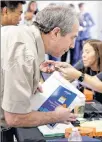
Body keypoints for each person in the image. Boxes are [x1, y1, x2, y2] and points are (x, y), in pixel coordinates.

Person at [1, 5, 79, 142]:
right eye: (72, 38)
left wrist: (29, 82)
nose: (73, 45)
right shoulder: (25, 55)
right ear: (55, 33)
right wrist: (57, 116)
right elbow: (15, 117)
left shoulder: (19, 34)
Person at [74, 39, 102, 108]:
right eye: (83, 52)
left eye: (87, 52)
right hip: (85, 108)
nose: (83, 55)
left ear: (98, 54)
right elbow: (68, 75)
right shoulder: (82, 64)